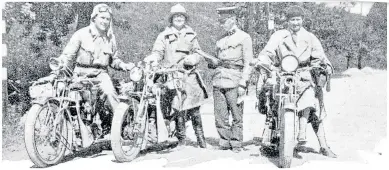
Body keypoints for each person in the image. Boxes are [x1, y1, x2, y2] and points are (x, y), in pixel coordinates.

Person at [38, 3, 135, 137]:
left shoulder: (110, 38)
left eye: (107, 19)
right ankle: (65, 129)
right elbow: (68, 55)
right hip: (80, 73)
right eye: (102, 18)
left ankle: (120, 126)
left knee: (109, 92)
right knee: (66, 95)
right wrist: (60, 63)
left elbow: (114, 60)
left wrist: (124, 65)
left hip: (101, 74)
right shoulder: (81, 34)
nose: (105, 21)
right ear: (94, 18)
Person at [252, 5, 337, 158]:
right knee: (272, 103)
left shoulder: (310, 37)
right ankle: (271, 138)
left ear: (302, 20)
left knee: (314, 106)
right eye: (292, 20)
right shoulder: (279, 36)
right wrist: (262, 60)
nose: (295, 23)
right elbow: (268, 52)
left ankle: (323, 146)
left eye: (298, 19)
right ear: (287, 21)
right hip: (283, 75)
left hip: (304, 76)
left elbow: (319, 55)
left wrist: (318, 65)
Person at [143, 4, 208, 149]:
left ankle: (201, 140)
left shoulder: (192, 35)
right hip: (172, 75)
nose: (179, 18)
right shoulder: (163, 36)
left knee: (195, 109)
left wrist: (194, 59)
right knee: (178, 107)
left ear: (185, 18)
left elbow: (199, 53)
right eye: (176, 16)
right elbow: (158, 52)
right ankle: (181, 140)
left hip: (189, 75)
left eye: (181, 16)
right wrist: (153, 58)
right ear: (171, 19)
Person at [207, 6, 253, 153]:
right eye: (220, 21)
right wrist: (211, 62)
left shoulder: (244, 38)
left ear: (232, 20)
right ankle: (224, 142)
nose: (221, 24)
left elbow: (248, 63)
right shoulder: (219, 39)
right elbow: (217, 59)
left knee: (236, 114)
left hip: (235, 79)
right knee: (220, 114)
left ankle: (236, 143)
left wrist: (243, 82)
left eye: (224, 21)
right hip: (218, 79)